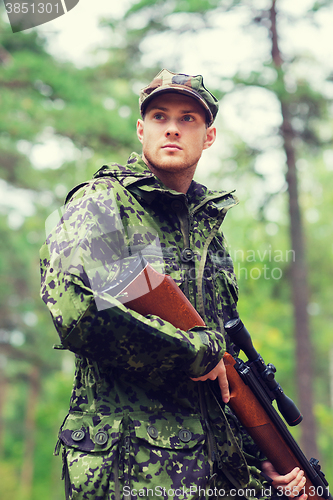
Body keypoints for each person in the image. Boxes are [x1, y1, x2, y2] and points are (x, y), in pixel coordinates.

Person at [40, 69, 307, 500]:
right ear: (141, 129)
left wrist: (262, 467)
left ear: (209, 136)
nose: (172, 128)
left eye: (188, 119)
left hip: (212, 477)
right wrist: (192, 351)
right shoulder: (103, 202)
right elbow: (76, 312)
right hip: (128, 474)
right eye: (160, 116)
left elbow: (223, 368)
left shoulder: (208, 231)